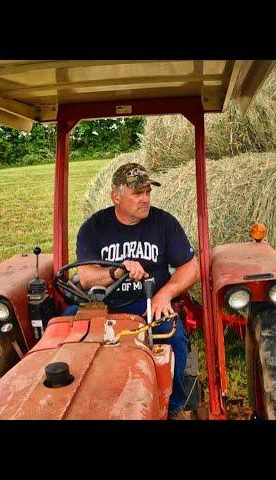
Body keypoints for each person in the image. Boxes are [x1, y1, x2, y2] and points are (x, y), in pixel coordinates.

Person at [74, 162, 200, 419]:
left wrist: (165, 294)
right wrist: (117, 272)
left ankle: (172, 406)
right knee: (65, 336)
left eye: (147, 192)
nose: (145, 199)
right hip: (103, 306)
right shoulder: (94, 227)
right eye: (137, 193)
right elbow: (86, 278)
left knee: (173, 339)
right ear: (116, 196)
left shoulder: (164, 223)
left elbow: (190, 268)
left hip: (148, 304)